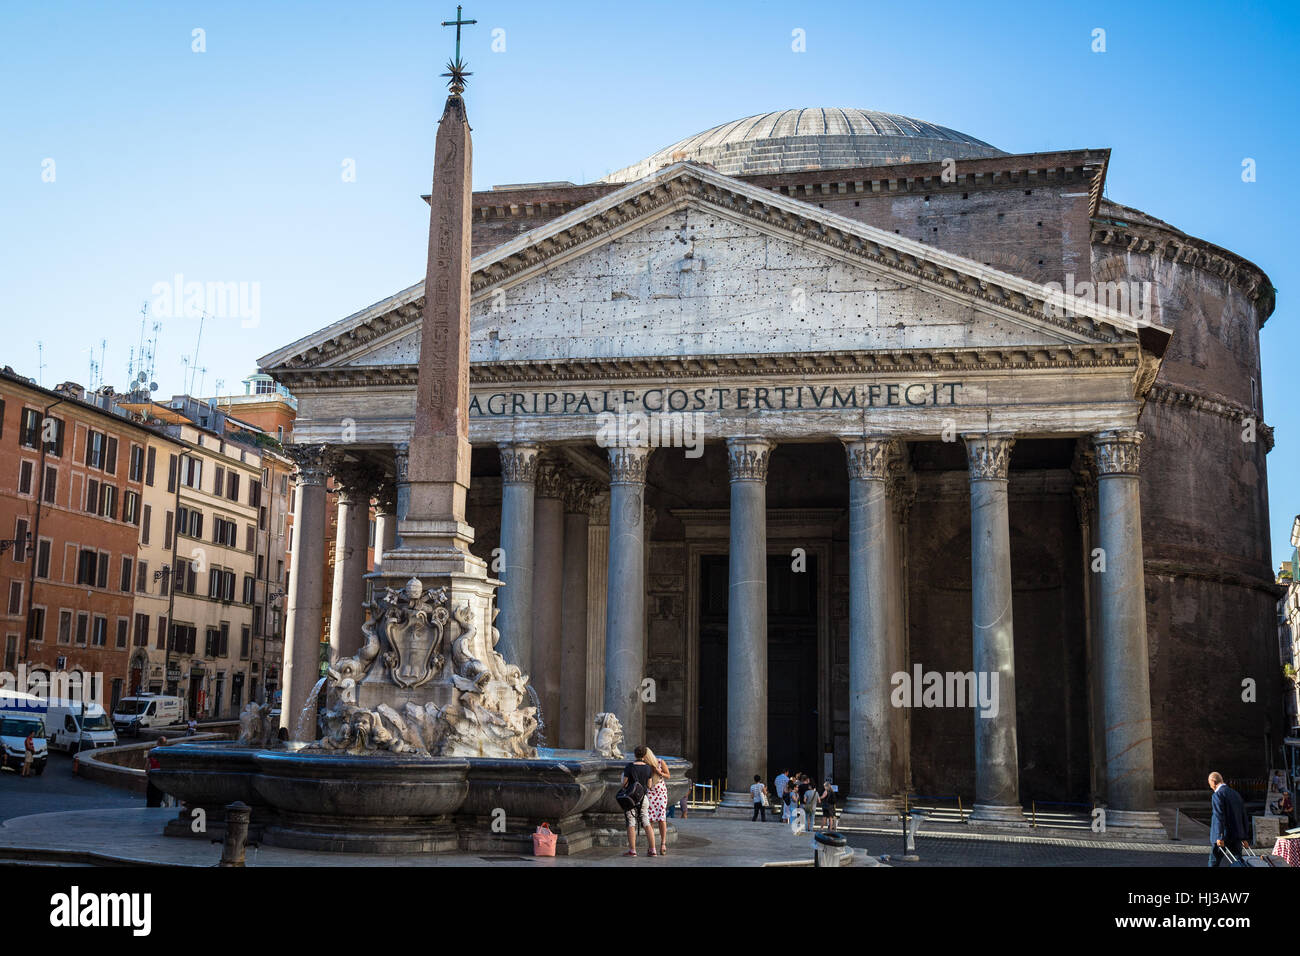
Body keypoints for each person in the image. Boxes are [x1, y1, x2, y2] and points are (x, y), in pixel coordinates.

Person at [621, 745, 657, 857]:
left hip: (630, 798)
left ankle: (632, 850)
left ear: (635, 754)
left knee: (631, 822)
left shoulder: (630, 767)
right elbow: (650, 785)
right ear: (645, 755)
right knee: (646, 821)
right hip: (643, 798)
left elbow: (624, 783)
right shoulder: (648, 768)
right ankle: (652, 850)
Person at [1207, 771, 1248, 867]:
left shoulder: (1218, 795)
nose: (1210, 786)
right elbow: (1243, 815)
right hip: (1237, 835)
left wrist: (1219, 836)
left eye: (1209, 784)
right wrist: (1245, 836)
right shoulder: (1235, 794)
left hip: (1223, 835)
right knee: (1239, 861)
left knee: (1214, 862)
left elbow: (1219, 816)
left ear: (1213, 781)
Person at [644, 747, 671, 854]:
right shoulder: (645, 765)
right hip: (650, 792)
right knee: (649, 819)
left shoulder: (660, 762)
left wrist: (659, 772)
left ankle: (663, 843)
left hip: (661, 793)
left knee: (661, 818)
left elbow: (668, 775)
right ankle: (652, 846)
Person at [145, 736, 168, 808]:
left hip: (152, 775)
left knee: (150, 796)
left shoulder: (152, 751)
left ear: (157, 742)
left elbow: (147, 765)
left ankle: (149, 809)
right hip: (161, 776)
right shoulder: (166, 752)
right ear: (165, 744)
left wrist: (147, 772)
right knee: (158, 796)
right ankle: (156, 809)